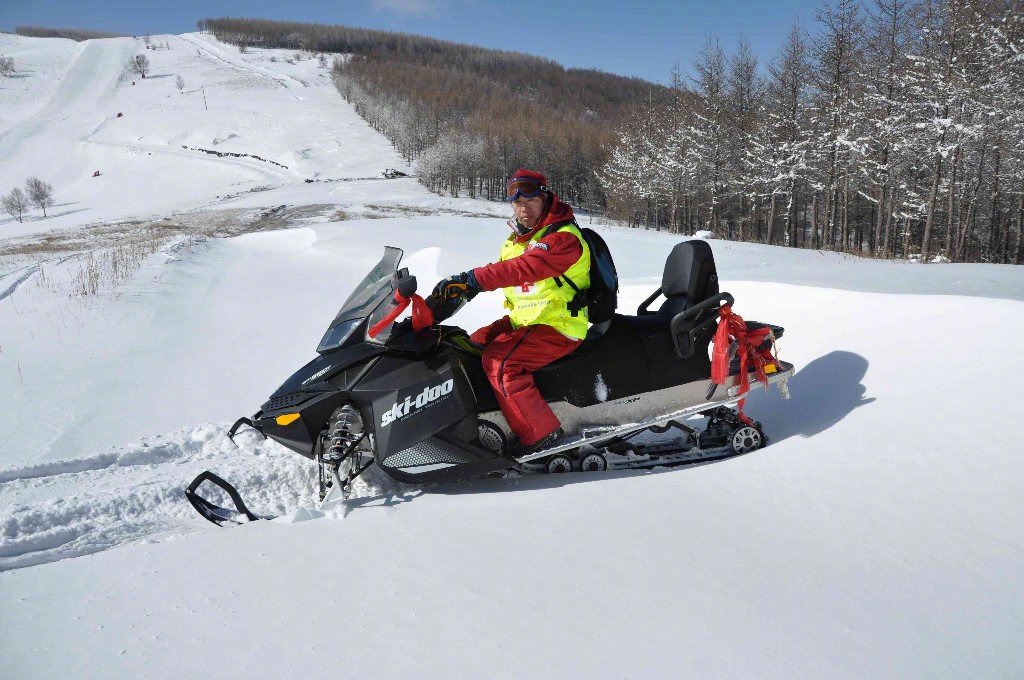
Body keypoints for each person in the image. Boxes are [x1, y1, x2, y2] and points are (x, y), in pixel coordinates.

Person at [433, 169, 590, 455]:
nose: (522, 206)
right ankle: (478, 417)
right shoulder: (515, 241)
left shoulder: (562, 238)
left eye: (529, 198)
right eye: (516, 200)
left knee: (501, 363)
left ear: (545, 198)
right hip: (526, 322)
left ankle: (541, 436)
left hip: (559, 325)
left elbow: (524, 269)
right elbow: (507, 274)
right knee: (468, 344)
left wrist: (473, 280)